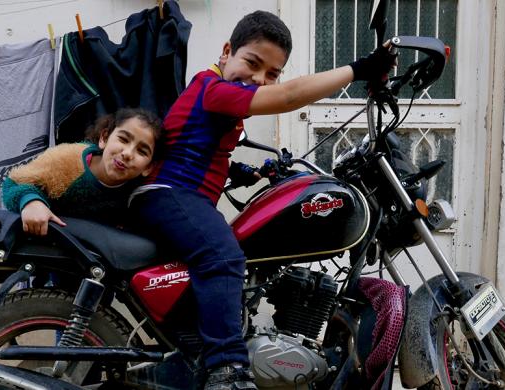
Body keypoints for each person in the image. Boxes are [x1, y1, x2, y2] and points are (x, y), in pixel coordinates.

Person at [128, 10, 396, 390]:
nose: (259, 79)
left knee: (234, 250)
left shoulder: (215, 96)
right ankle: (228, 371)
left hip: (180, 196)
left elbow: (193, 146)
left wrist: (243, 172)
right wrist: (359, 68)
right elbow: (287, 97)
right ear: (226, 52)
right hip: (167, 194)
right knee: (222, 257)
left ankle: (197, 354)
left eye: (271, 74)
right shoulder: (213, 88)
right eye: (252, 63)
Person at [2, 108, 163, 233]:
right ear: (104, 138)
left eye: (142, 151)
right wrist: (31, 202)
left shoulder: (138, 194)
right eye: (123, 139)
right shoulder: (66, 161)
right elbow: (14, 182)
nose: (127, 154)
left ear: (148, 167)